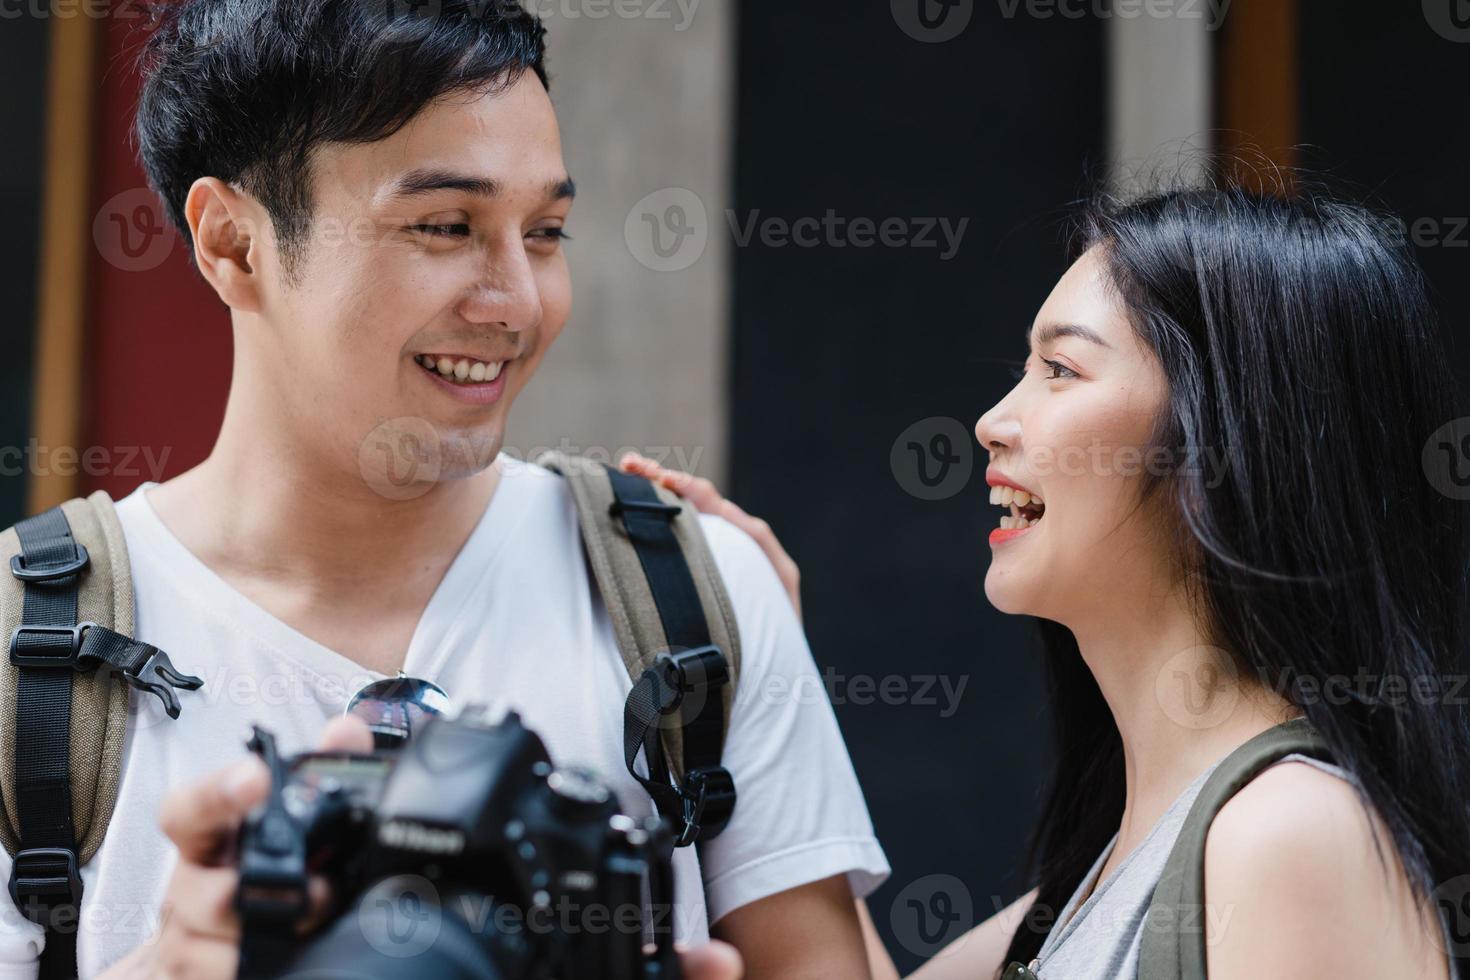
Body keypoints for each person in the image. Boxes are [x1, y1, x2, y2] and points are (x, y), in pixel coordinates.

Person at [0, 1, 895, 976]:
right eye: (445, 226)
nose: (517, 300)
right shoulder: (24, 645)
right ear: (233, 243)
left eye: (547, 230)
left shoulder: (690, 594)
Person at [625, 181, 1470, 979]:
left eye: (1060, 370)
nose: (993, 423)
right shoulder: (1100, 879)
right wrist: (768, 650)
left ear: (1222, 444)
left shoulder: (1289, 836)